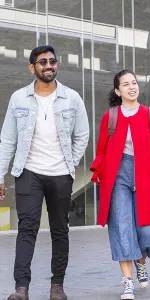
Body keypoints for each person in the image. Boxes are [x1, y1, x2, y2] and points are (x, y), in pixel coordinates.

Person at [0, 45, 89, 300]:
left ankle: (57, 285)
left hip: (61, 173)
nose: (49, 66)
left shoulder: (72, 97)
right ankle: (21, 288)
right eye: (42, 62)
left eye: (52, 61)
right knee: (27, 228)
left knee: (60, 229)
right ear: (32, 67)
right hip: (28, 171)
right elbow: (7, 140)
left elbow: (82, 134)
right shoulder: (18, 98)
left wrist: (70, 161)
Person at [90, 70, 150, 300]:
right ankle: (127, 282)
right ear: (118, 91)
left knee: (146, 231)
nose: (131, 87)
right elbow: (102, 150)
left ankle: (141, 261)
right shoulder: (111, 116)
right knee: (122, 227)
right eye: (125, 84)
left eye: (134, 83)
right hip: (118, 175)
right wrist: (104, 173)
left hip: (145, 173)